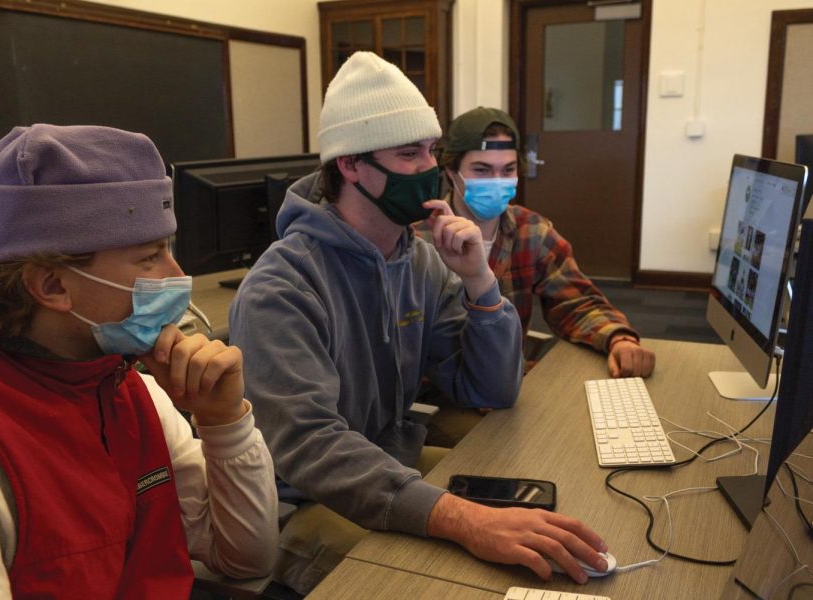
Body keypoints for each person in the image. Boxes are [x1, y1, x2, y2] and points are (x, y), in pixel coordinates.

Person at [228, 52, 608, 595]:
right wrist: (464, 520)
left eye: (431, 150)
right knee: (458, 581)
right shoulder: (281, 286)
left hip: (386, 457)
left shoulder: (421, 260)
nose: (429, 168)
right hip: (299, 500)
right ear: (350, 166)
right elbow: (313, 448)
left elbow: (492, 389)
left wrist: (480, 283)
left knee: (538, 503)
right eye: (409, 154)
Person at [0, 124, 279, 598]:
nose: (177, 275)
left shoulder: (132, 389)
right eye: (149, 258)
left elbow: (246, 557)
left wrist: (222, 419)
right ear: (52, 287)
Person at [435, 107, 656, 378]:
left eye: (508, 170)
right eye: (482, 170)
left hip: (508, 380)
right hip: (441, 391)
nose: (497, 181)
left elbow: (576, 302)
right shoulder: (420, 238)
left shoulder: (532, 231)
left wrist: (618, 338)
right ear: (450, 170)